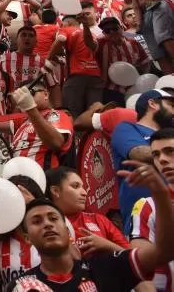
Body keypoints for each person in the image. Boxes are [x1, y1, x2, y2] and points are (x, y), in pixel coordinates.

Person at [12, 157, 174, 292]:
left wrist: (160, 194)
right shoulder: (22, 287)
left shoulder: (104, 268)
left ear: (67, 230)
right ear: (27, 238)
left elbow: (164, 252)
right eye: (36, 221)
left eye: (53, 218)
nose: (47, 224)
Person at [111, 88, 174, 228]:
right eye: (171, 106)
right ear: (153, 104)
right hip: (141, 219)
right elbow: (138, 153)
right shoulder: (127, 128)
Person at [44, 167, 128, 254]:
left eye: (83, 187)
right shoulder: (44, 226)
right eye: (75, 186)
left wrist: (106, 245)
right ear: (56, 191)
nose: (84, 192)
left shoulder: (99, 220)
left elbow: (132, 256)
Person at [130, 127, 174, 292]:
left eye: (170, 151)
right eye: (156, 154)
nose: (162, 159)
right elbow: (140, 267)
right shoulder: (146, 205)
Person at [0, 83, 73, 170]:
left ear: (45, 94)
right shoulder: (23, 121)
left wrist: (30, 108)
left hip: (41, 174)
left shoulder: (56, 114)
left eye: (30, 93)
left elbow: (57, 143)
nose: (24, 98)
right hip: (16, 176)